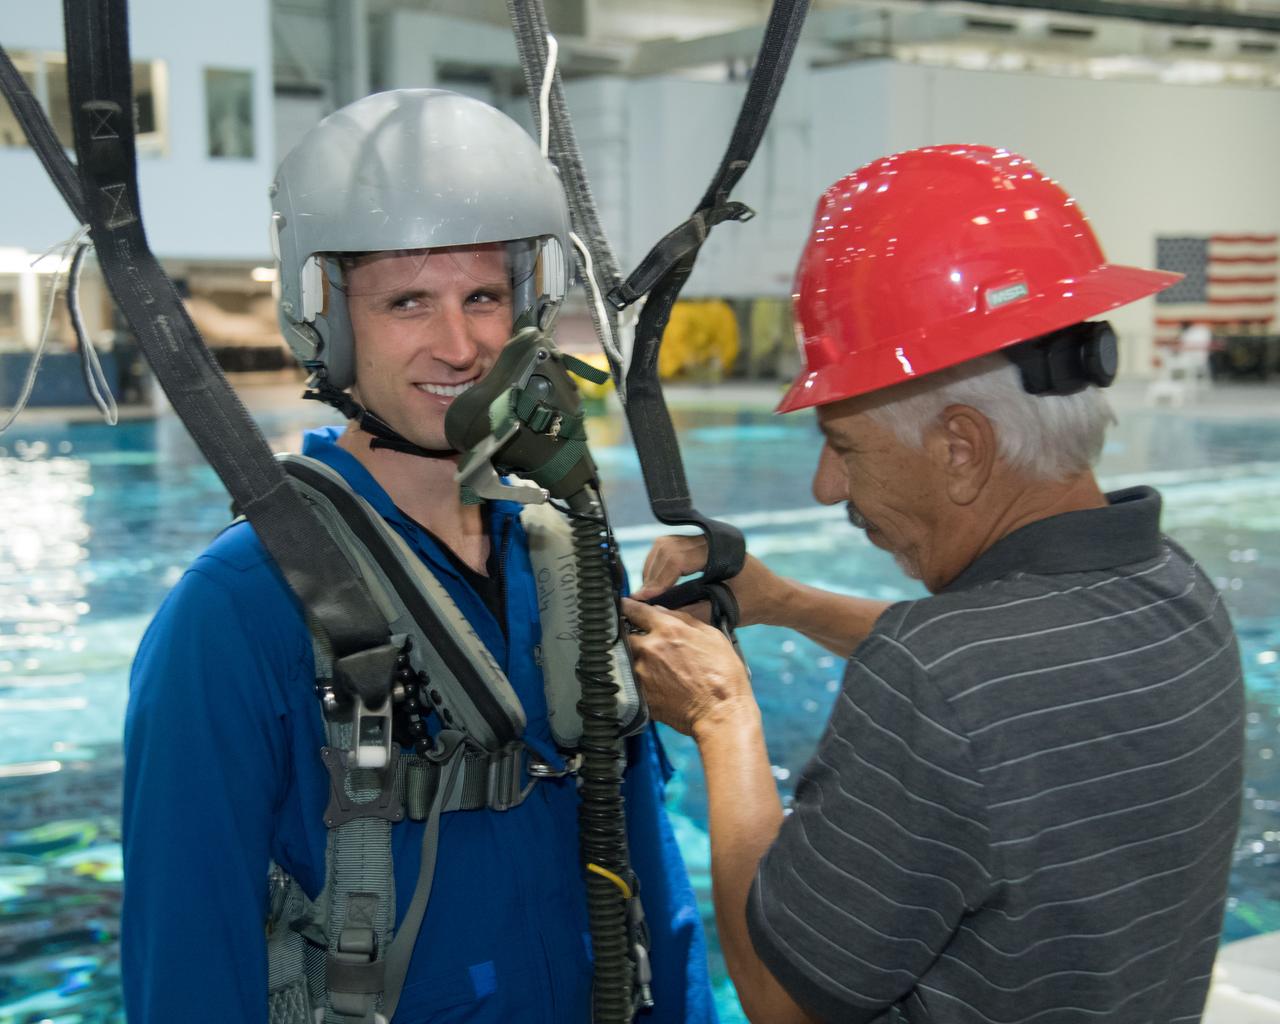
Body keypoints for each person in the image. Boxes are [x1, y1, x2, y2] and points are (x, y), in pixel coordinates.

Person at [121, 89, 716, 1024]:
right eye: (407, 302)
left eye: (483, 296)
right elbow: (187, 963)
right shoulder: (237, 610)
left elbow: (657, 890)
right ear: (333, 320)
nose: (460, 344)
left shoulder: (563, 559)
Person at [623, 145, 1244, 1024]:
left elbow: (777, 996)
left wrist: (725, 718)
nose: (826, 490)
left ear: (961, 448)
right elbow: (1000, 686)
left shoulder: (940, 676)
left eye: (843, 447)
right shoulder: (1176, 591)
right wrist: (785, 603)